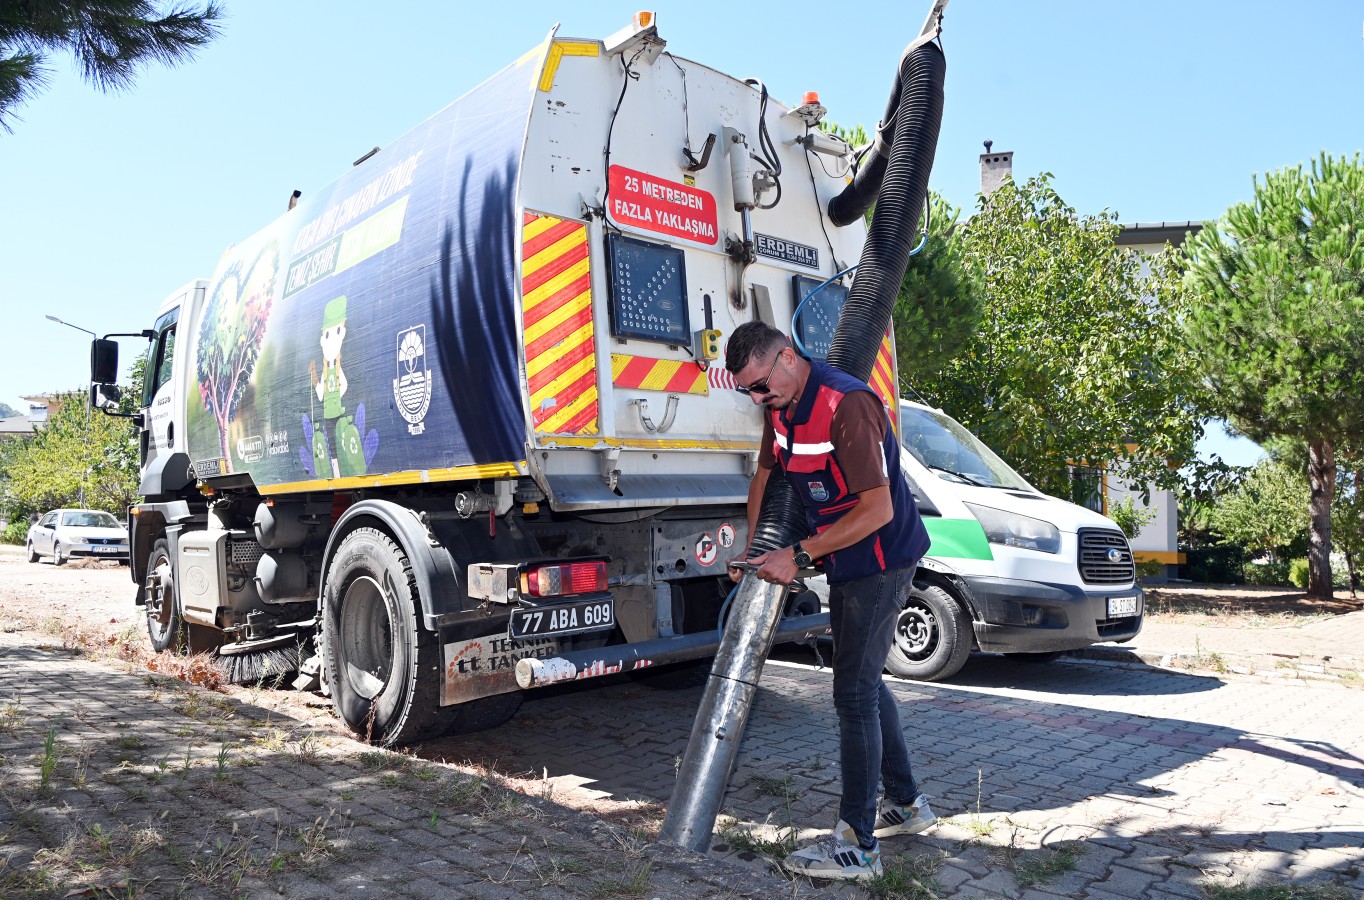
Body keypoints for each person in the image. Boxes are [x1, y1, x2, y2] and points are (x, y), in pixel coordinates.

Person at [725, 321, 937, 881]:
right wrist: (756, 548)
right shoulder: (780, 406)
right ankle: (907, 805)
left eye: (761, 387)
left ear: (788, 359)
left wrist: (796, 555)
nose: (756, 399)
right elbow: (765, 477)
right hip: (845, 556)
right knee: (864, 684)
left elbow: (878, 510)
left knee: (853, 694)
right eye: (747, 390)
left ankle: (857, 847)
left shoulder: (849, 405)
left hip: (883, 558)